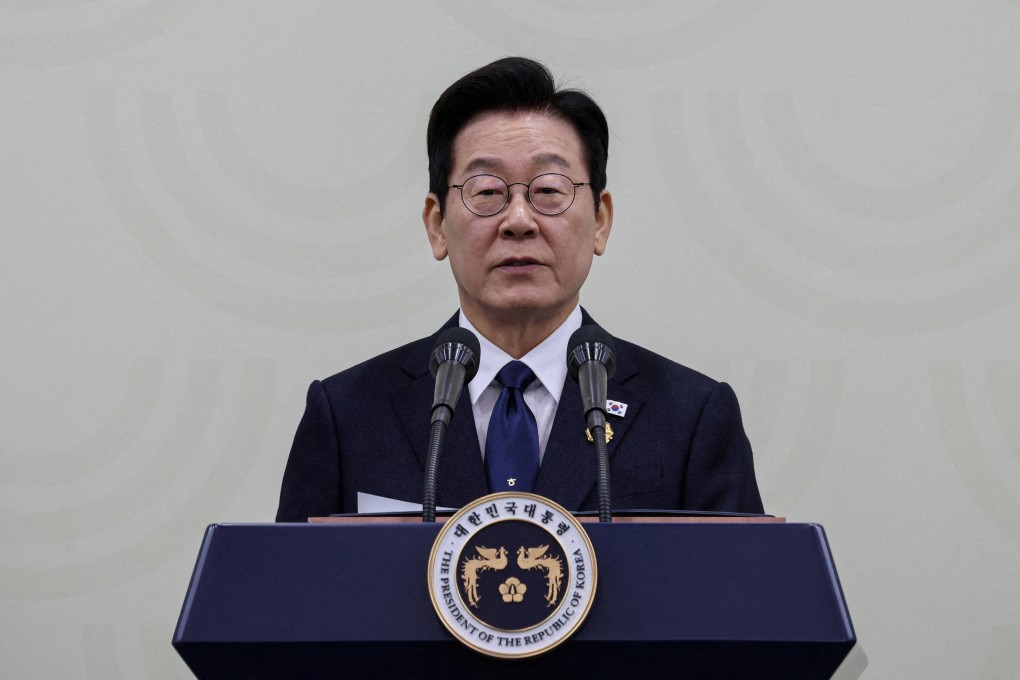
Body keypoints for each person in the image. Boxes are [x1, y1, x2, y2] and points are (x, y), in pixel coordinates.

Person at [276, 57, 763, 522]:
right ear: (437, 225)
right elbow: (288, 599)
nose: (519, 221)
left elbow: (740, 599)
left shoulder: (691, 416)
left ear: (599, 221)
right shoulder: (348, 415)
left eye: (549, 190)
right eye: (487, 191)